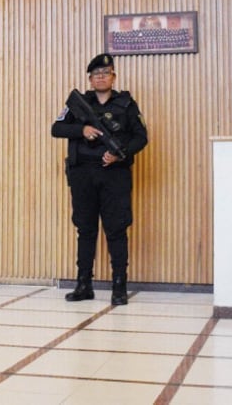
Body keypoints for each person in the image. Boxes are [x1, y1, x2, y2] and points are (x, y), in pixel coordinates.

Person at [51, 53, 147, 305]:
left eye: (106, 73)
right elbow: (56, 128)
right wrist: (81, 129)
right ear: (90, 79)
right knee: (85, 229)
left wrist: (118, 155)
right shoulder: (78, 103)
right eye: (96, 75)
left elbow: (141, 137)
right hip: (82, 174)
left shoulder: (127, 104)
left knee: (116, 229)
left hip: (114, 175)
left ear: (113, 77)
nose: (101, 77)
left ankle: (119, 286)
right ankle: (84, 284)